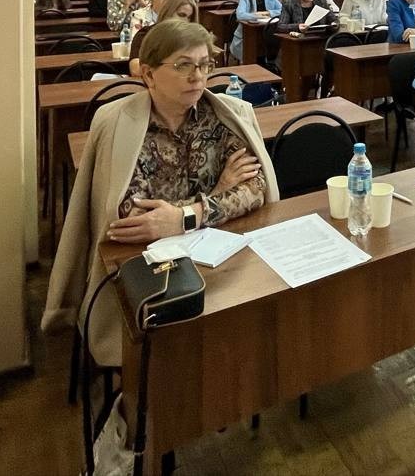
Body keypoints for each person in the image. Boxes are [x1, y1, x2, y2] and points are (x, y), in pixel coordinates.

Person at [42, 19, 280, 368]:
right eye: (183, 65)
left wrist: (185, 216)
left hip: (220, 259)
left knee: (254, 333)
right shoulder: (119, 124)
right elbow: (132, 219)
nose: (197, 77)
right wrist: (219, 193)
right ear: (149, 74)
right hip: (150, 277)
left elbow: (254, 188)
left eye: (204, 65)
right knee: (178, 356)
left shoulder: (224, 116)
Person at [129, 0, 199, 76]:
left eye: (189, 18)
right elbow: (135, 69)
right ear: (168, 12)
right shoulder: (145, 34)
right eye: (181, 15)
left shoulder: (192, 38)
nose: (186, 21)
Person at [229, 0, 283, 64]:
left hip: (267, 34)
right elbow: (240, 15)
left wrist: (268, 13)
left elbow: (282, 10)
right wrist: (257, 15)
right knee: (253, 54)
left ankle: (269, 64)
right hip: (247, 36)